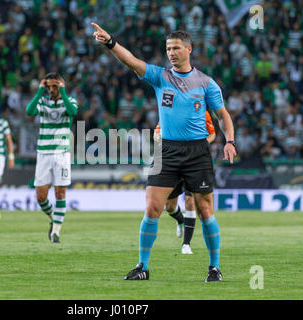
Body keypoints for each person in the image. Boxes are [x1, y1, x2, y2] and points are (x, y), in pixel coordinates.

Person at [92, 24, 236, 282]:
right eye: (168, 48)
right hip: (166, 150)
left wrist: (230, 141)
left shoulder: (206, 83)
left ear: (189, 49)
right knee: (152, 208)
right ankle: (142, 267)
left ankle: (214, 268)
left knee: (205, 210)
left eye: (176, 48)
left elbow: (223, 115)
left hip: (197, 151)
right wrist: (111, 43)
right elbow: (133, 62)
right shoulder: (161, 77)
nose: (171, 52)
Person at [25, 73, 78, 244]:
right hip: (43, 154)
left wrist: (62, 92)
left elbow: (73, 112)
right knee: (41, 196)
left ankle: (56, 232)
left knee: (60, 193)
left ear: (62, 85)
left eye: (55, 86)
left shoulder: (69, 100)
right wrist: (39, 91)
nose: (52, 89)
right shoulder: (42, 101)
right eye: (49, 86)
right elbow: (29, 111)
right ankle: (53, 217)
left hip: (61, 154)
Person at [155, 110, 217, 255]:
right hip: (173, 159)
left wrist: (198, 145)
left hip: (194, 161)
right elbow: (156, 134)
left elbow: (212, 134)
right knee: (169, 206)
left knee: (190, 201)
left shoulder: (202, 112)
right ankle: (180, 220)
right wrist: (165, 141)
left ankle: (186, 244)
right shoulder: (168, 111)